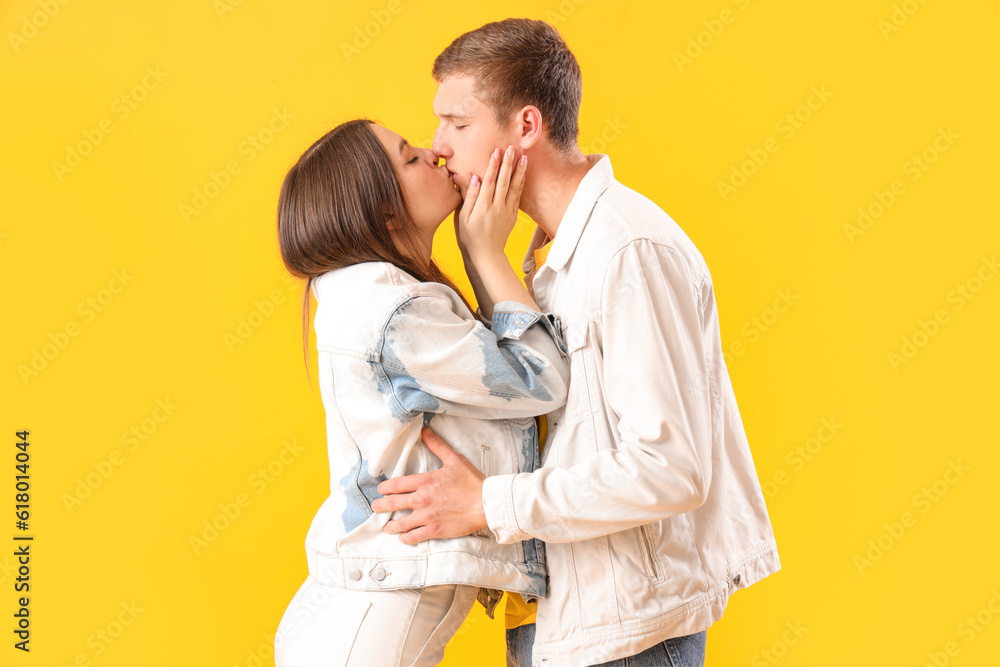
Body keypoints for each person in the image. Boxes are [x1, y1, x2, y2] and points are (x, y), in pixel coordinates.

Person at [371, 18, 781, 667]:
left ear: (526, 127)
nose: (439, 146)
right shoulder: (542, 257)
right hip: (563, 616)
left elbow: (670, 467)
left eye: (456, 122)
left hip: (631, 634)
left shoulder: (627, 251)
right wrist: (483, 254)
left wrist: (486, 502)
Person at [272, 117, 572, 667]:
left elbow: (495, 375)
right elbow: (539, 379)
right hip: (366, 626)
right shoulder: (394, 308)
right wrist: (488, 252)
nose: (435, 151)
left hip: (352, 612)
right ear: (386, 212)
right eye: (410, 158)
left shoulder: (372, 295)